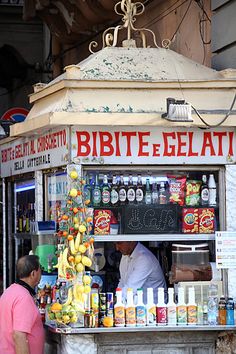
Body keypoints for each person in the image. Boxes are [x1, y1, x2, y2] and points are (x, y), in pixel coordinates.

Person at [0, 255, 45, 354]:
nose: (41, 273)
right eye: (40, 269)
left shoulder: (9, 291)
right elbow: (19, 335)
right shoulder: (23, 297)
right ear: (33, 273)